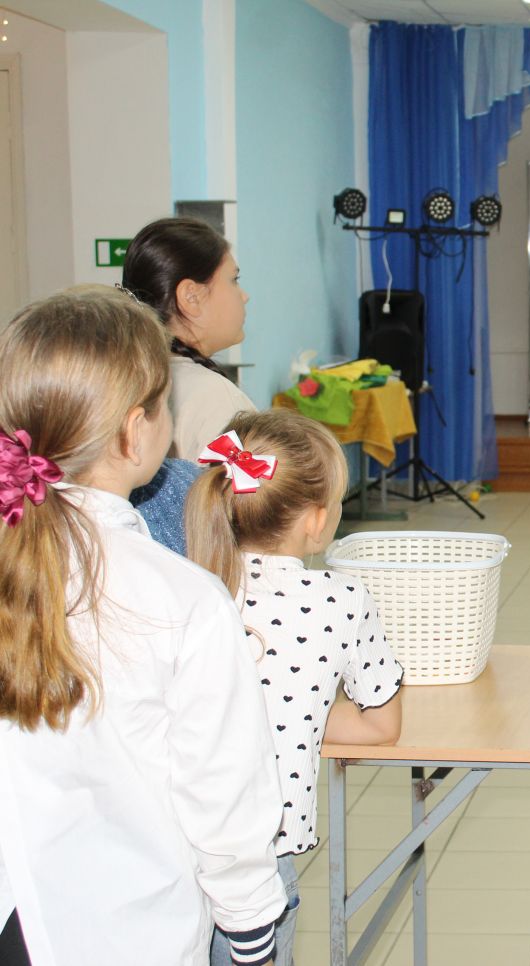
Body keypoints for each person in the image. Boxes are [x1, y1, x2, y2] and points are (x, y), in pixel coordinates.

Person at [0, 286, 285, 964]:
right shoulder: (181, 599)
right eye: (164, 404)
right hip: (126, 928)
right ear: (136, 431)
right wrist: (251, 930)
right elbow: (222, 796)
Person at [185, 409, 404, 965]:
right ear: (316, 519)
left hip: (176, 848)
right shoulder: (340, 599)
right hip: (262, 858)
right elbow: (380, 724)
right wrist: (301, 711)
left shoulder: (187, 586)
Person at [123, 217, 257, 459]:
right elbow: (252, 485)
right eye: (234, 280)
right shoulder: (216, 400)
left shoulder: (129, 379)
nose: (244, 296)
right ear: (191, 297)